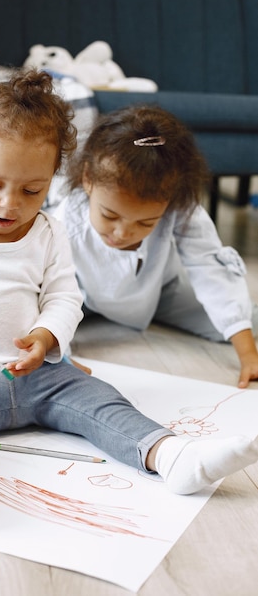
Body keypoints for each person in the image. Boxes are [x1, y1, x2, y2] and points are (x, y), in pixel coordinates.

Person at [0, 71, 258, 531]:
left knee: (103, 403)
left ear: (52, 180)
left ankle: (171, 455)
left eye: (32, 190)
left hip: (42, 374)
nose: (10, 205)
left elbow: (66, 297)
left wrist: (48, 337)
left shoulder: (50, 230)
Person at [54, 105, 258, 389]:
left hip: (160, 291)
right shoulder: (65, 219)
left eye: (146, 222)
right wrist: (60, 357)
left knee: (247, 320)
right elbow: (50, 291)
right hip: (80, 295)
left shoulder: (181, 208)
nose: (122, 233)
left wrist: (248, 354)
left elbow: (211, 268)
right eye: (110, 215)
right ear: (87, 179)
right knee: (47, 333)